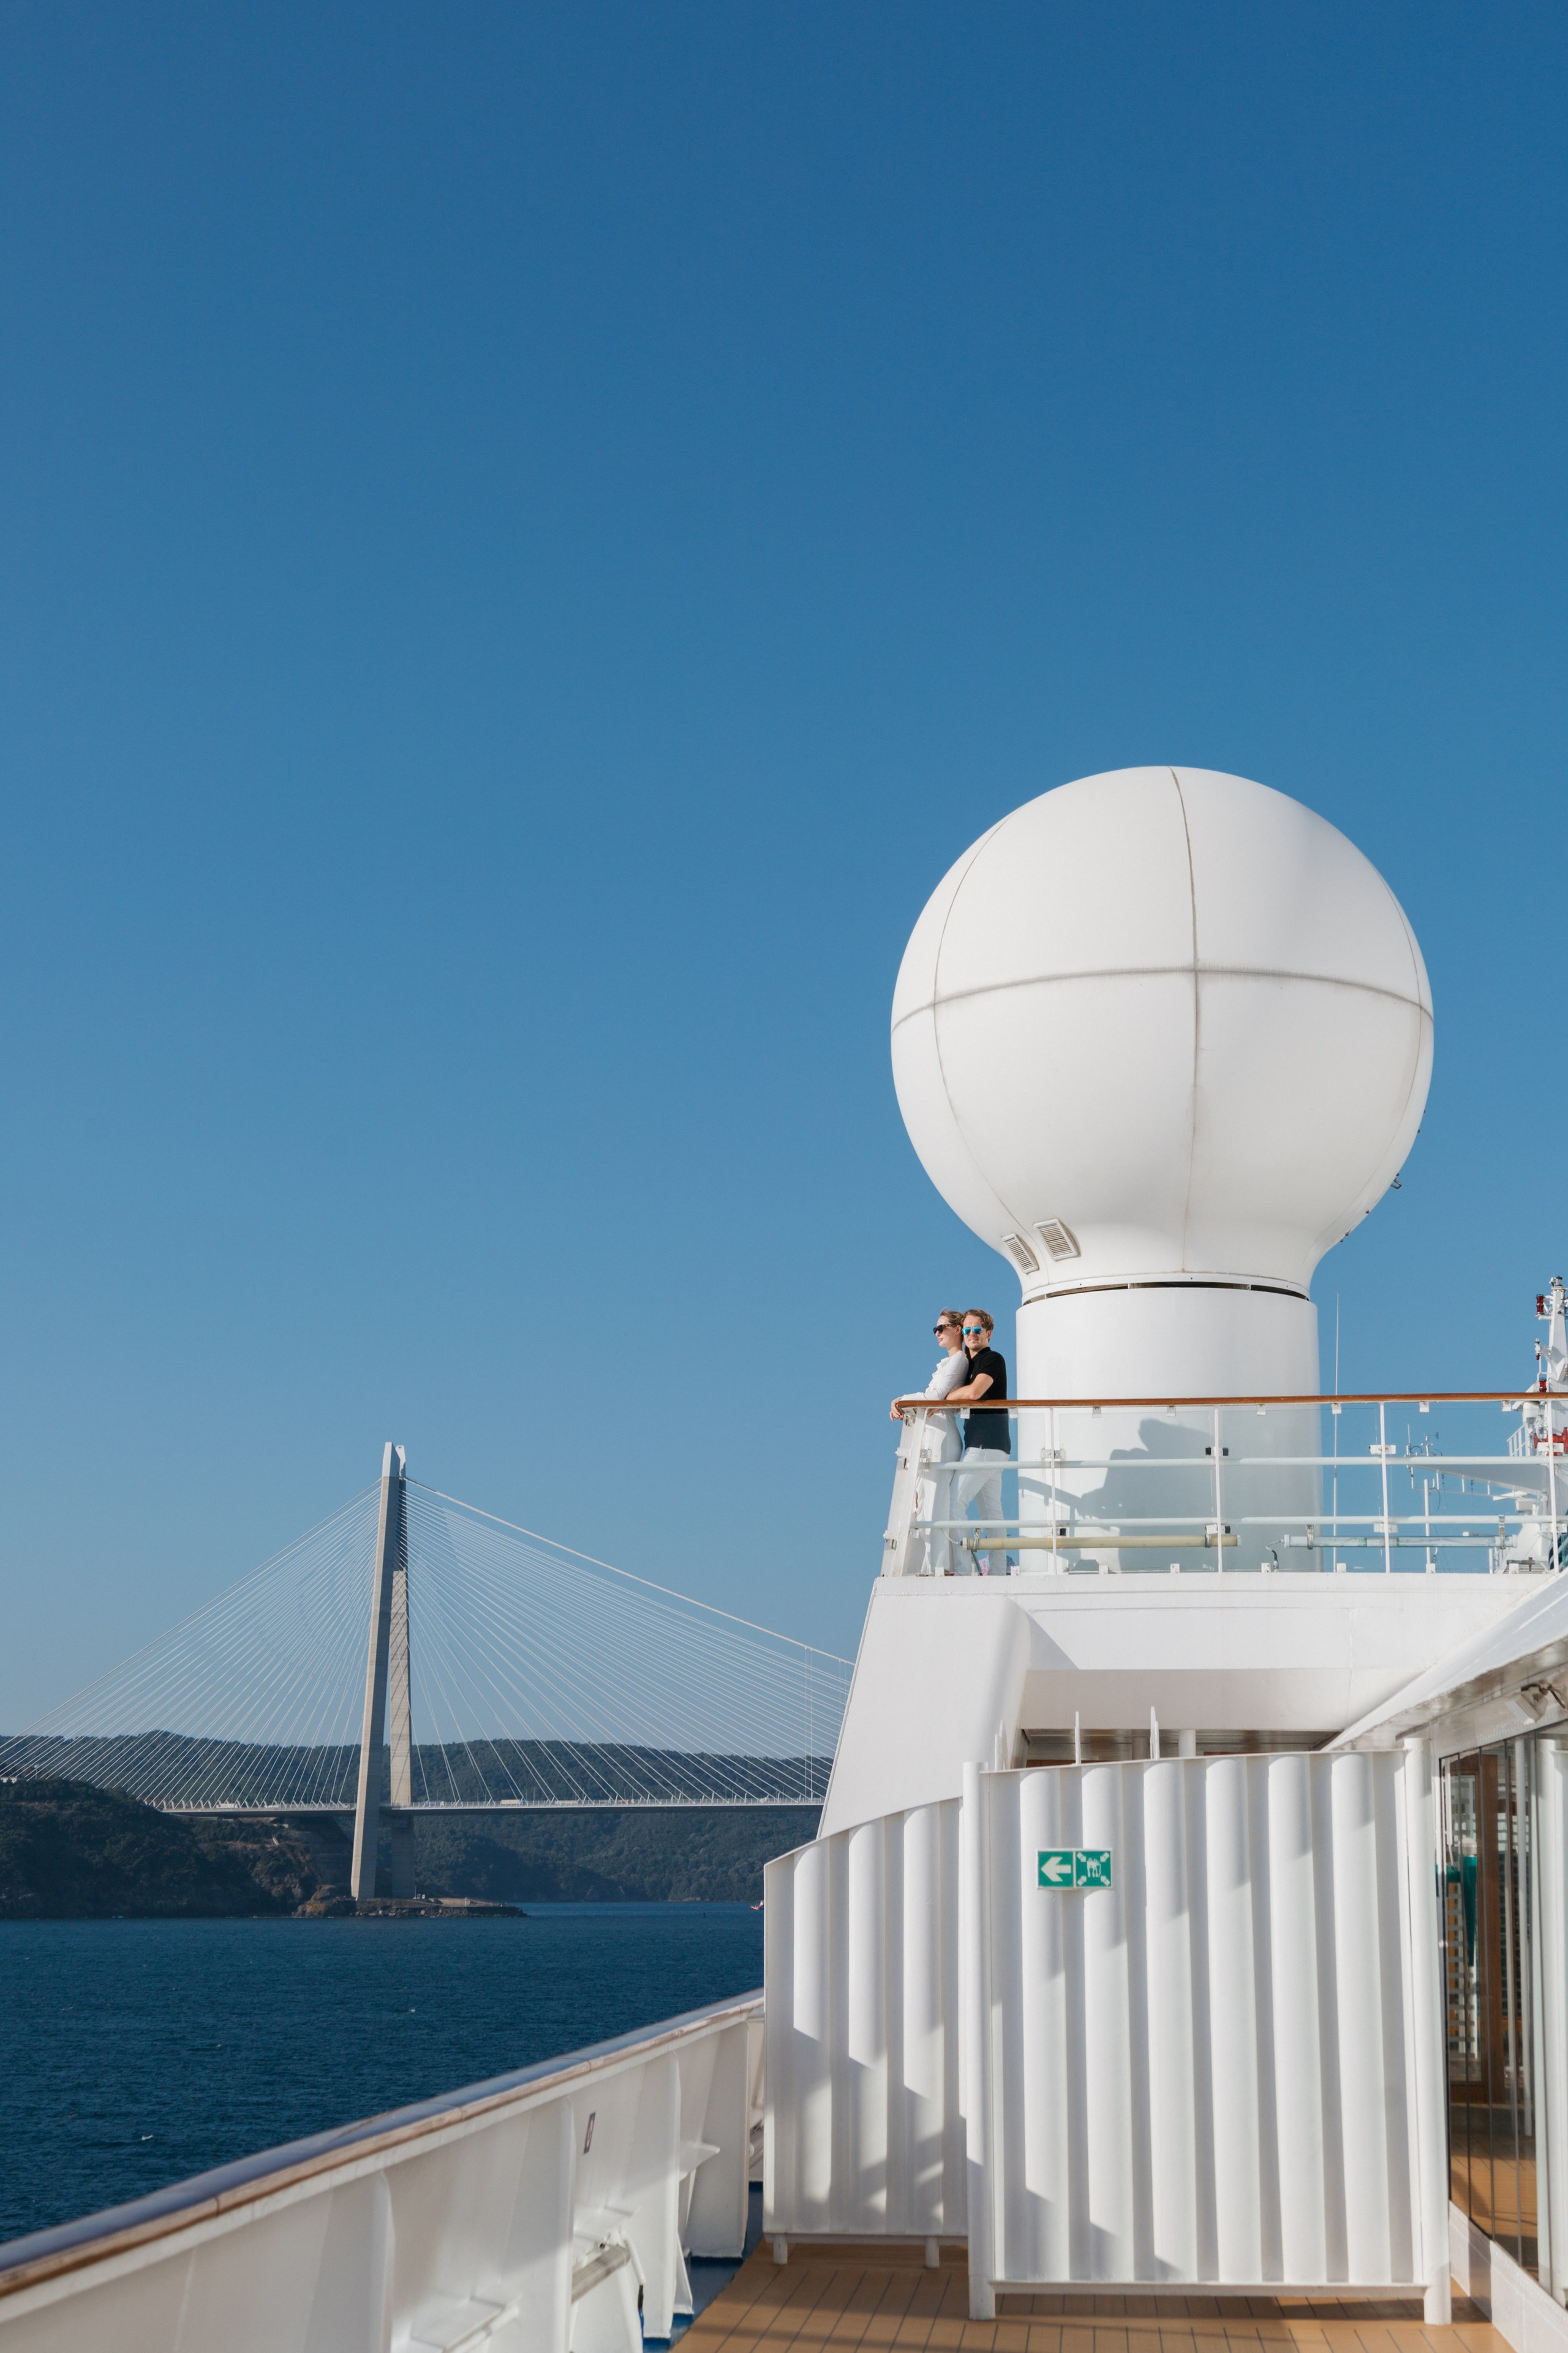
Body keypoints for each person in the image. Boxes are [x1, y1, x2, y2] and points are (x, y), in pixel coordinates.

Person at [889, 1312, 969, 1575]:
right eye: (935, 1329)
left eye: (942, 1328)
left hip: (942, 1435)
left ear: (958, 1329)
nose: (937, 1333)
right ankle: (934, 1563)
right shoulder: (948, 1362)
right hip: (933, 1434)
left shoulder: (959, 1360)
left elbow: (934, 1396)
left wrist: (901, 1399)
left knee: (934, 1501)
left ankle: (939, 1565)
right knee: (926, 1500)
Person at [944, 1311, 1012, 1575]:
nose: (971, 1334)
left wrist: (949, 1397)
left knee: (954, 1505)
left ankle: (964, 1570)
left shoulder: (992, 1359)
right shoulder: (971, 1364)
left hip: (985, 1446)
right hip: (992, 1445)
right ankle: (996, 1573)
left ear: (989, 1333)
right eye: (967, 1330)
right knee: (992, 1513)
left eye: (977, 1330)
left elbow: (973, 1393)